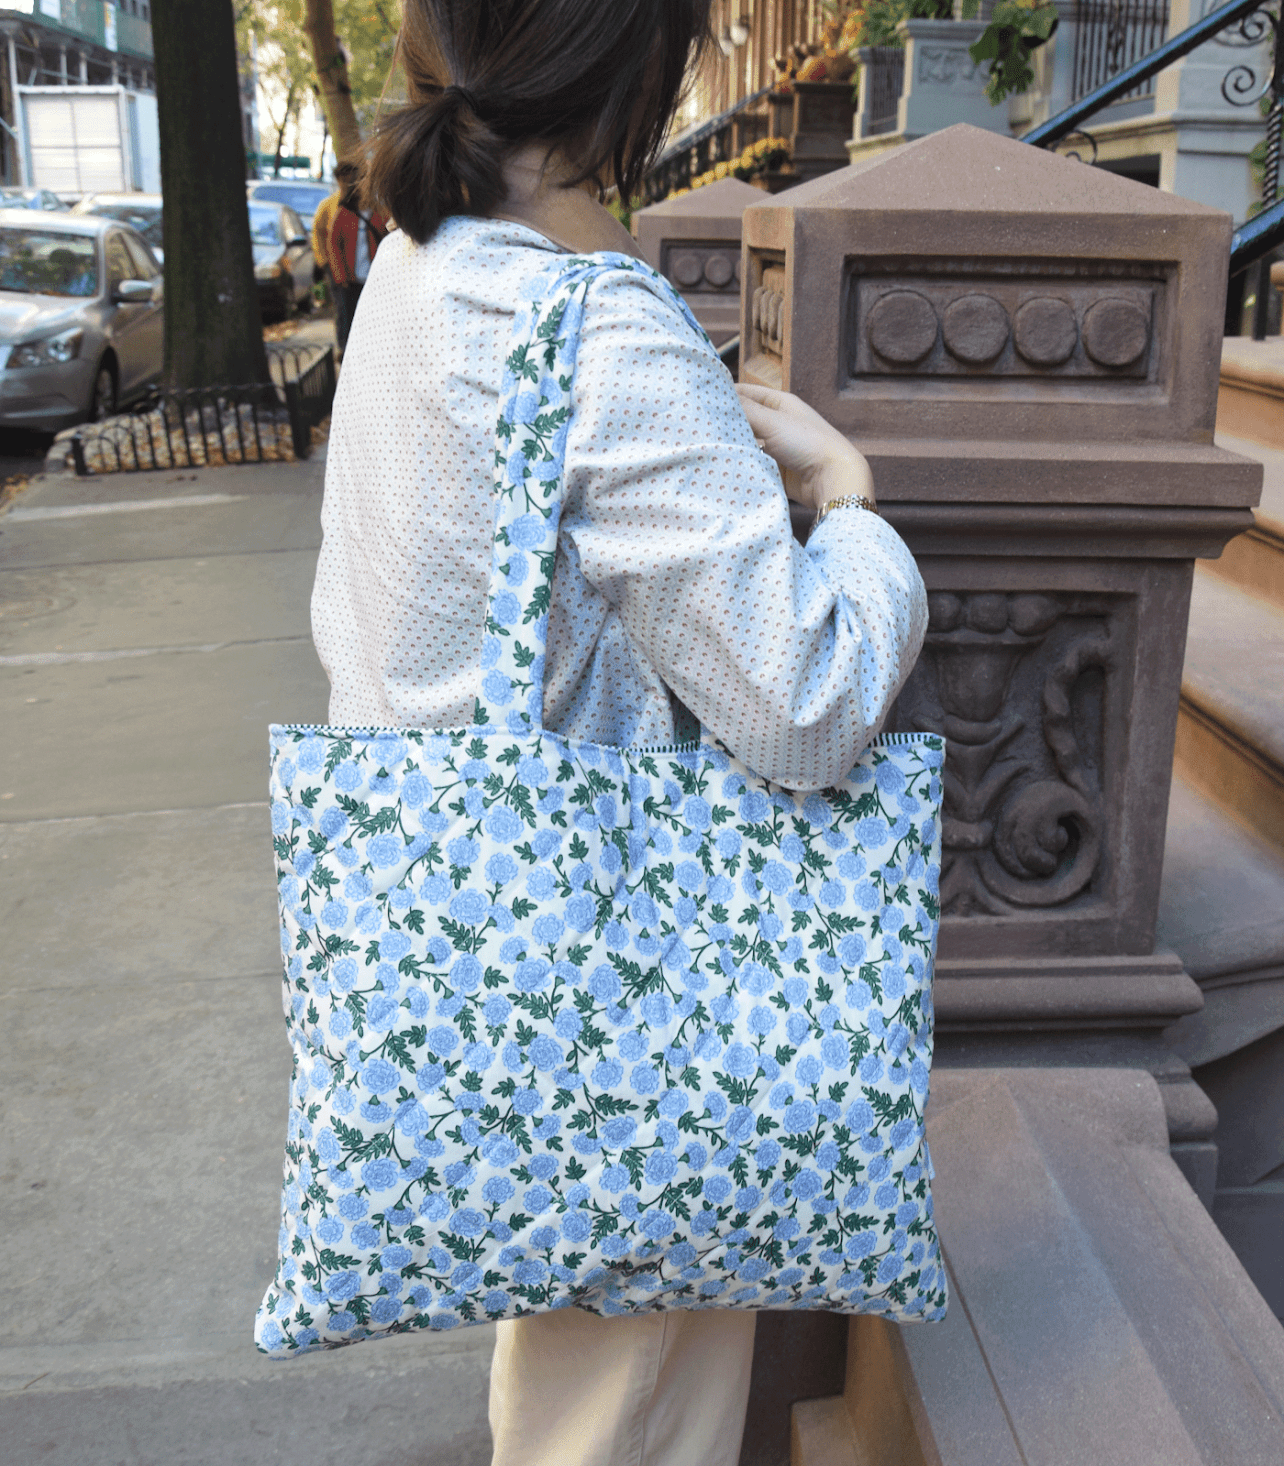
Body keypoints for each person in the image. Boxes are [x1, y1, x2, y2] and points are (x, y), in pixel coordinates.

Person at [310, 2, 928, 1462]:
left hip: (457, 927)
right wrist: (850, 501)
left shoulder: (413, 269)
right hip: (625, 985)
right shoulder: (592, 320)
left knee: (573, 1371)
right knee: (629, 1401)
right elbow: (802, 699)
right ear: (633, 65)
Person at [311, 159, 387, 352]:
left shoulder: (379, 212)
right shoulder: (336, 208)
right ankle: (346, 350)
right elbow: (329, 240)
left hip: (374, 275)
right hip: (348, 275)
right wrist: (329, 266)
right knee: (346, 313)